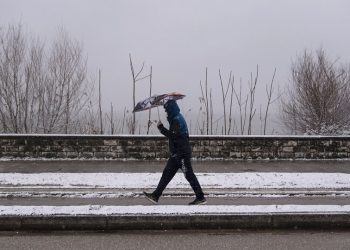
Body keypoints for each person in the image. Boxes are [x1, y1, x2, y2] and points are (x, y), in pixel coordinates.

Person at [143, 100, 206, 205]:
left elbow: (173, 136)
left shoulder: (176, 120)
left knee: (189, 175)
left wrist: (161, 128)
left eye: (166, 109)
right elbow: (175, 135)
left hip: (181, 154)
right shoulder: (176, 118)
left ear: (171, 109)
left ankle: (200, 197)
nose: (166, 112)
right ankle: (155, 195)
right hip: (176, 154)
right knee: (166, 174)